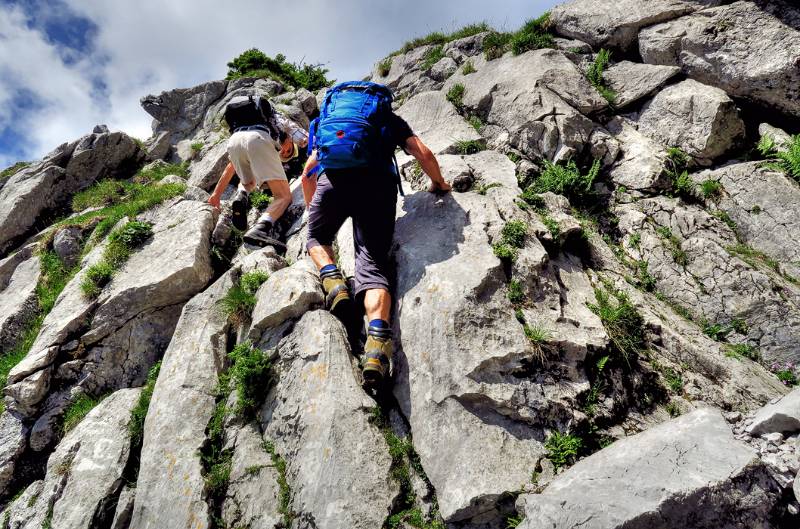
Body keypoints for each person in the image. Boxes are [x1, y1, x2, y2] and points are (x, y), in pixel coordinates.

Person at [301, 81, 451, 387]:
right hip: (377, 188)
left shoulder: (329, 120)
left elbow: (308, 170)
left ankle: (333, 281)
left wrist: (314, 209)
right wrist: (439, 184)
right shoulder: (386, 118)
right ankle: (376, 348)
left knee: (316, 238)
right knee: (372, 266)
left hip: (333, 183)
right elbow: (422, 152)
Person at [208, 94, 307, 246]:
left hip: (235, 140)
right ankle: (260, 229)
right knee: (284, 196)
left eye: (286, 155)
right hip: (258, 138)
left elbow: (231, 167)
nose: (284, 152)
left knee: (249, 180)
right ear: (289, 144)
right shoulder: (279, 122)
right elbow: (303, 137)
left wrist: (216, 195)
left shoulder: (260, 119)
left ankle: (242, 194)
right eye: (288, 151)